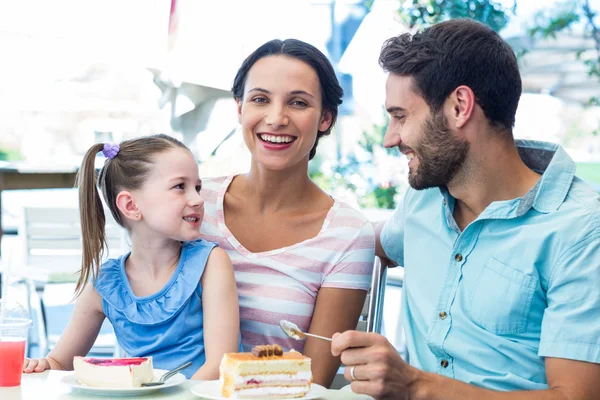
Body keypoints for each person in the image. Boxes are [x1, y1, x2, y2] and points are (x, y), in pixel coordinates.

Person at [331, 18, 600, 399]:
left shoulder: (581, 230)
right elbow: (364, 240)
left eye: (400, 115)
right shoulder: (422, 201)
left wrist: (415, 385)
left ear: (459, 107)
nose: (390, 138)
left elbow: (575, 397)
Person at [200, 38, 376, 387]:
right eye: (260, 99)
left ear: (326, 118)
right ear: (239, 109)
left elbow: (313, 380)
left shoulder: (349, 234)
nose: (276, 118)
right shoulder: (192, 203)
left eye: (298, 103)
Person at [23, 134, 240, 380]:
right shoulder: (105, 283)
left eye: (197, 187)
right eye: (180, 186)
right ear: (131, 206)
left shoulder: (211, 263)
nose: (198, 199)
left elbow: (221, 365)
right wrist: (38, 366)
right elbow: (59, 362)